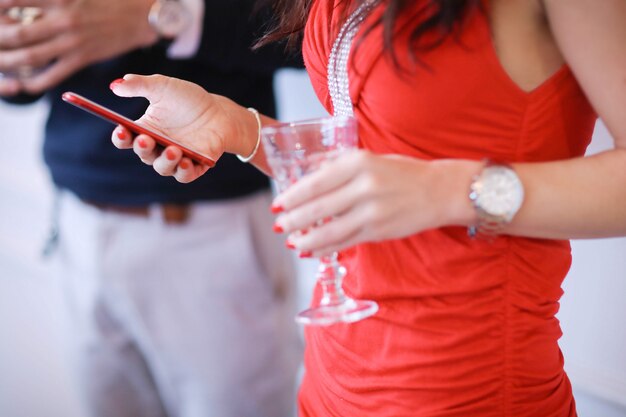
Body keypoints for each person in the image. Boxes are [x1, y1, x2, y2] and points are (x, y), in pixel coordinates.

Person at [104, 0, 624, 415]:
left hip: (467, 388)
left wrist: (451, 189)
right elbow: (379, 164)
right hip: (334, 378)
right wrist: (239, 126)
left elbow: (420, 180)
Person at [0, 1, 303, 417]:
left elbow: (319, 32)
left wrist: (165, 16)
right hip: (76, 223)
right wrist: (20, 52)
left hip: (210, 231)